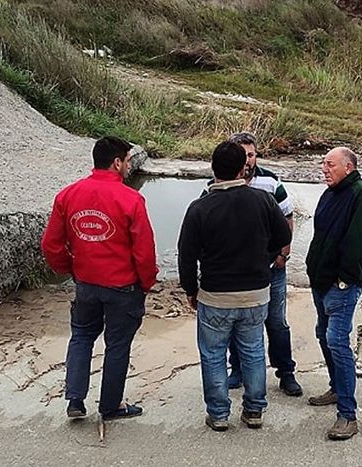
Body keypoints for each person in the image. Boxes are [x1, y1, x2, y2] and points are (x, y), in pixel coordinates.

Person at [40, 136, 158, 421]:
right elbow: (144, 250)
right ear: (117, 163)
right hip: (123, 286)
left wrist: (71, 269)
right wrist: (146, 282)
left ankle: (75, 401)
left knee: (81, 336)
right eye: (128, 160)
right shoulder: (131, 199)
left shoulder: (68, 195)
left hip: (87, 284)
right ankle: (110, 406)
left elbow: (51, 245)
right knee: (117, 345)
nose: (130, 166)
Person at [178, 140, 292, 432]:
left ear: (213, 169)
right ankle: (254, 410)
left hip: (215, 296)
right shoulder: (262, 201)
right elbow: (282, 236)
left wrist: (191, 290)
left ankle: (218, 414)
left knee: (213, 354)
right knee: (254, 350)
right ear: (244, 169)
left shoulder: (199, 208)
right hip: (256, 294)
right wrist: (263, 258)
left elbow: (186, 256)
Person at [202, 132, 302, 397]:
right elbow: (203, 219)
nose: (248, 160)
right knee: (240, 323)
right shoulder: (215, 183)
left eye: (252, 154)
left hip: (271, 268)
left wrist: (283, 255)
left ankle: (286, 372)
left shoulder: (269, 181)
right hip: (238, 272)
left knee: (276, 322)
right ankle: (238, 370)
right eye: (242, 155)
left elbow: (287, 218)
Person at [305, 146, 362, 441]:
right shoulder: (330, 193)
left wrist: (345, 280)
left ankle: (348, 415)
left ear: (348, 167)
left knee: (337, 340)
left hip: (341, 285)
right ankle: (337, 387)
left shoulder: (361, 193)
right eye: (323, 163)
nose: (324, 168)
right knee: (323, 335)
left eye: (330, 164)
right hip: (320, 281)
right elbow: (320, 235)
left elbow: (359, 241)